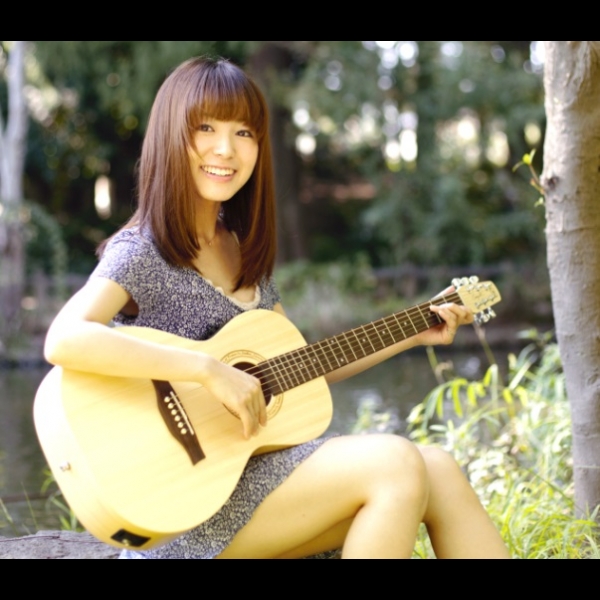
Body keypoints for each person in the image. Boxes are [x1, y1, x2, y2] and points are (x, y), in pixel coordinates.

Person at [44, 56, 510, 559]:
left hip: (259, 484)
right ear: (170, 136)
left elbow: (303, 367)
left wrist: (414, 331)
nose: (226, 149)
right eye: (206, 128)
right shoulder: (143, 250)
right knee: (394, 462)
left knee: (438, 467)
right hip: (189, 509)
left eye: (243, 132)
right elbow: (65, 338)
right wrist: (207, 370)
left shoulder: (241, 251)